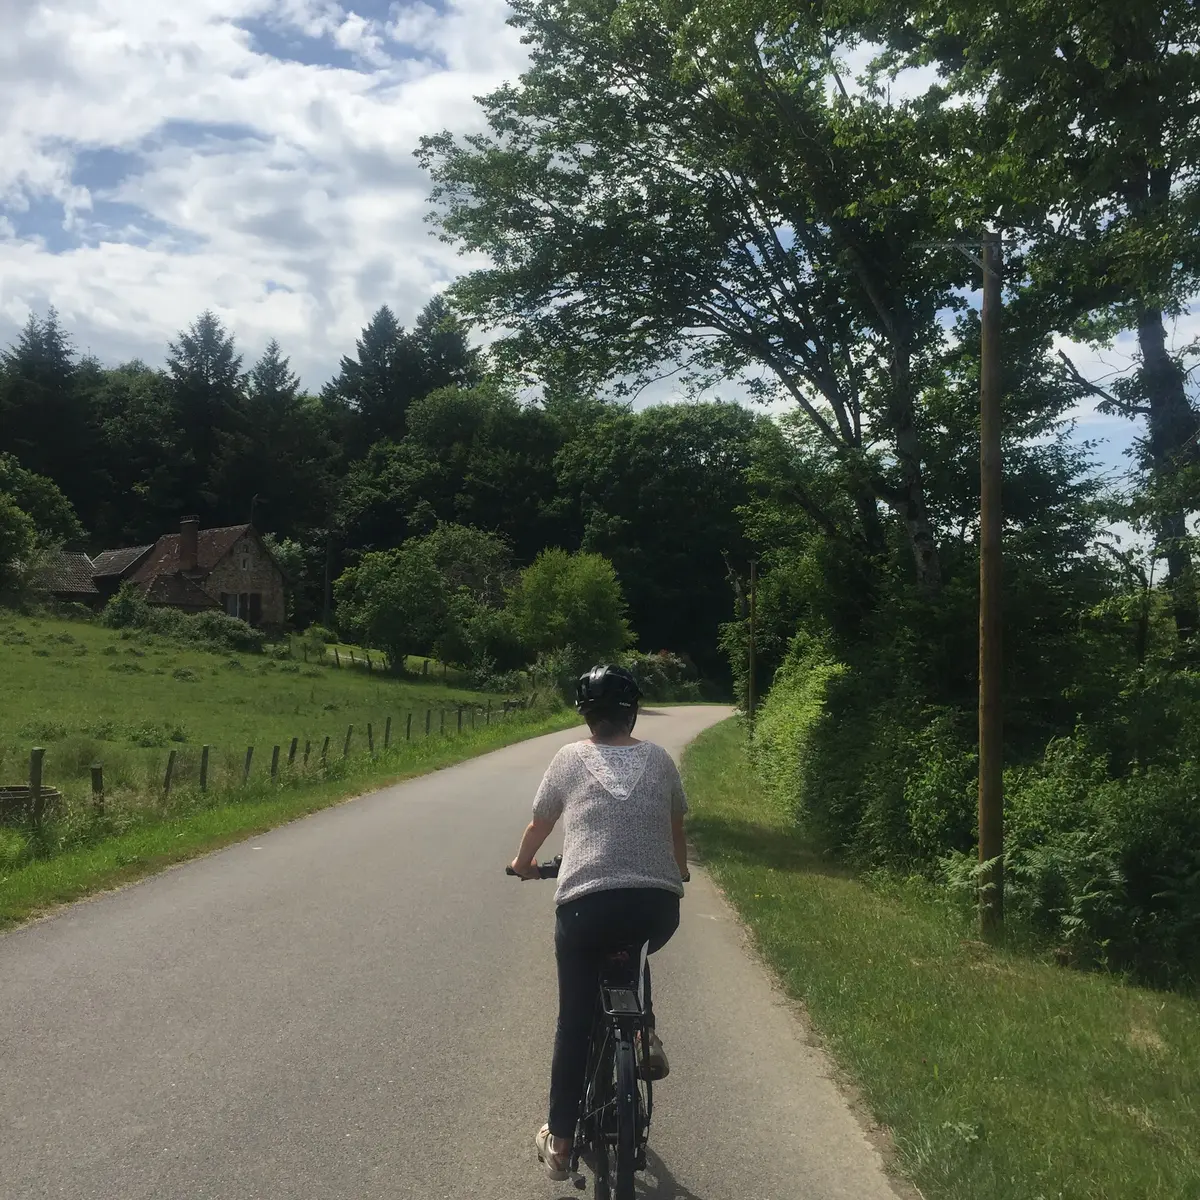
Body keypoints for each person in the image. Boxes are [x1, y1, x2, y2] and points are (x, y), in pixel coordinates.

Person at [510, 663, 690, 1182]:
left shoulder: (569, 758)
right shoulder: (659, 758)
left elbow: (540, 823)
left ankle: (561, 1143)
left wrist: (523, 864)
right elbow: (676, 825)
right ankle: (643, 1032)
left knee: (574, 1023)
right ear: (632, 712)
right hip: (657, 906)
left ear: (586, 716)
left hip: (586, 908)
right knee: (634, 947)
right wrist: (677, 871)